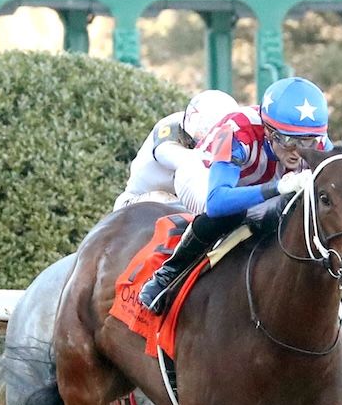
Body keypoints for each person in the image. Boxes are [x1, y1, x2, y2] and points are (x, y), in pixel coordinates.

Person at [138, 75, 330, 314]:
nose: (299, 152)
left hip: (260, 181)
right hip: (206, 177)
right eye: (290, 140)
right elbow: (217, 202)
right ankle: (165, 277)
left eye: (309, 142)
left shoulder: (315, 139)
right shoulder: (237, 132)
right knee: (234, 212)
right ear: (269, 131)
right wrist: (277, 188)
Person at [112, 89, 239, 211]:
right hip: (138, 200)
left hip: (185, 202)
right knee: (167, 202)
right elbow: (177, 158)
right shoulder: (169, 125)